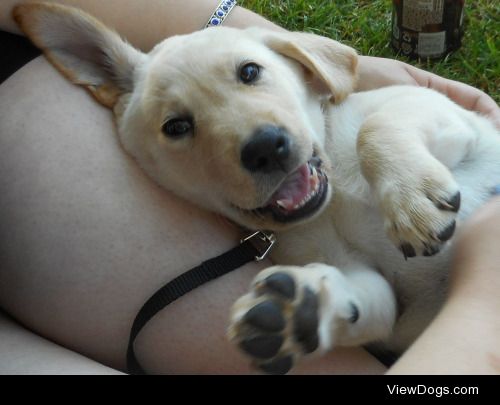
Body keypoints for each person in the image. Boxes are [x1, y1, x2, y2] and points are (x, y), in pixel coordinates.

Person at [0, 0, 498, 375]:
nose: (252, 138)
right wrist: (327, 300)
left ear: (303, 64)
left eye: (249, 74)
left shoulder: (365, 119)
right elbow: (379, 312)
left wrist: (391, 149)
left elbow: (460, 129)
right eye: (178, 126)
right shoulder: (287, 244)